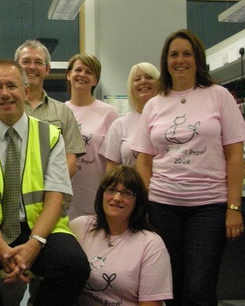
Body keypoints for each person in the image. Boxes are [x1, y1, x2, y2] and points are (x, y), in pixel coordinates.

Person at [0, 59, 90, 306]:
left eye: (12, 86)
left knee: (74, 266)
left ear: (25, 91)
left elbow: (55, 197)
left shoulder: (51, 136)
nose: (5, 94)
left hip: (40, 226)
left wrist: (35, 243)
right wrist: (0, 247)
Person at [132, 29, 245, 306]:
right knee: (169, 287)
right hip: (162, 205)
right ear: (165, 61)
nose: (180, 60)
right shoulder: (154, 105)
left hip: (209, 206)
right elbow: (144, 161)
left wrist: (233, 208)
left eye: (187, 54)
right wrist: (141, 207)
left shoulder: (219, 97)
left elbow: (234, 155)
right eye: (173, 54)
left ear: (198, 59)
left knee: (199, 286)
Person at [70, 165, 173, 305]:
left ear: (138, 202)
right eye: (111, 190)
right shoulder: (80, 226)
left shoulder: (152, 245)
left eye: (127, 193)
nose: (117, 198)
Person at [0, 39, 84, 178]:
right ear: (17, 68)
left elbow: (70, 162)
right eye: (26, 61)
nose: (32, 67)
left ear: (47, 69)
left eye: (38, 62)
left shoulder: (63, 112)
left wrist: (46, 190)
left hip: (51, 195)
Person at [65, 53, 119, 220]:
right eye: (78, 70)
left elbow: (115, 162)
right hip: (66, 198)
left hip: (96, 197)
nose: (82, 75)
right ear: (68, 75)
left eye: (88, 72)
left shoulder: (109, 113)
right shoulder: (59, 111)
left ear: (95, 80)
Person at [99, 62, 159, 171]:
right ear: (131, 88)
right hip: (131, 187)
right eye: (137, 79)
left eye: (149, 77)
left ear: (159, 84)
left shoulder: (169, 120)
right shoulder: (120, 125)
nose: (143, 82)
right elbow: (111, 170)